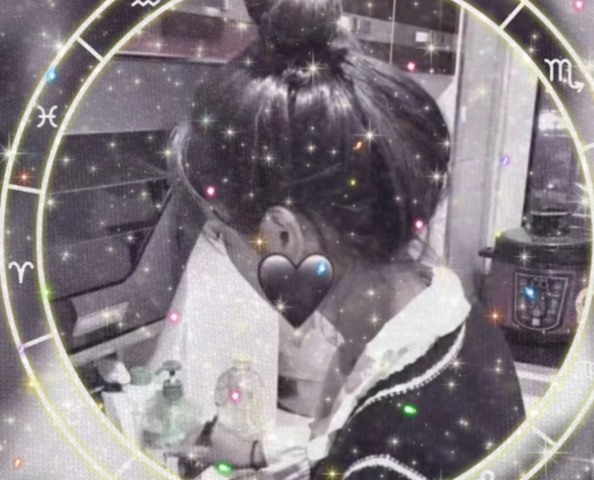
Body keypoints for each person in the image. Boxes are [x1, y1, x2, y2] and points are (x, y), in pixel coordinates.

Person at [167, 0, 525, 478]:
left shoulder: (387, 458)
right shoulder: (450, 320)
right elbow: (349, 440)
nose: (225, 256)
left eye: (222, 234)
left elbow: (370, 451)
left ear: (282, 237)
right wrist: (255, 453)